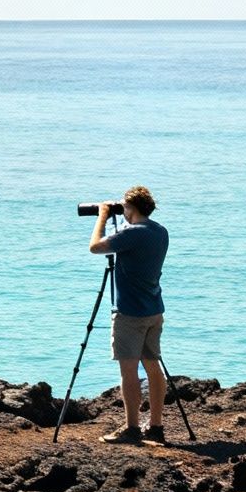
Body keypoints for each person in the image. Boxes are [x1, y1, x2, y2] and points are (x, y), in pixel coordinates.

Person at [88, 185, 170, 444]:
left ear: (131, 209)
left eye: (124, 206)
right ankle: (156, 426)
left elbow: (95, 247)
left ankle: (132, 428)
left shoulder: (131, 234)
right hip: (154, 310)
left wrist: (102, 215)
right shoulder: (160, 232)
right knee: (153, 365)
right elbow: (132, 244)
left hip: (130, 313)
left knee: (129, 371)